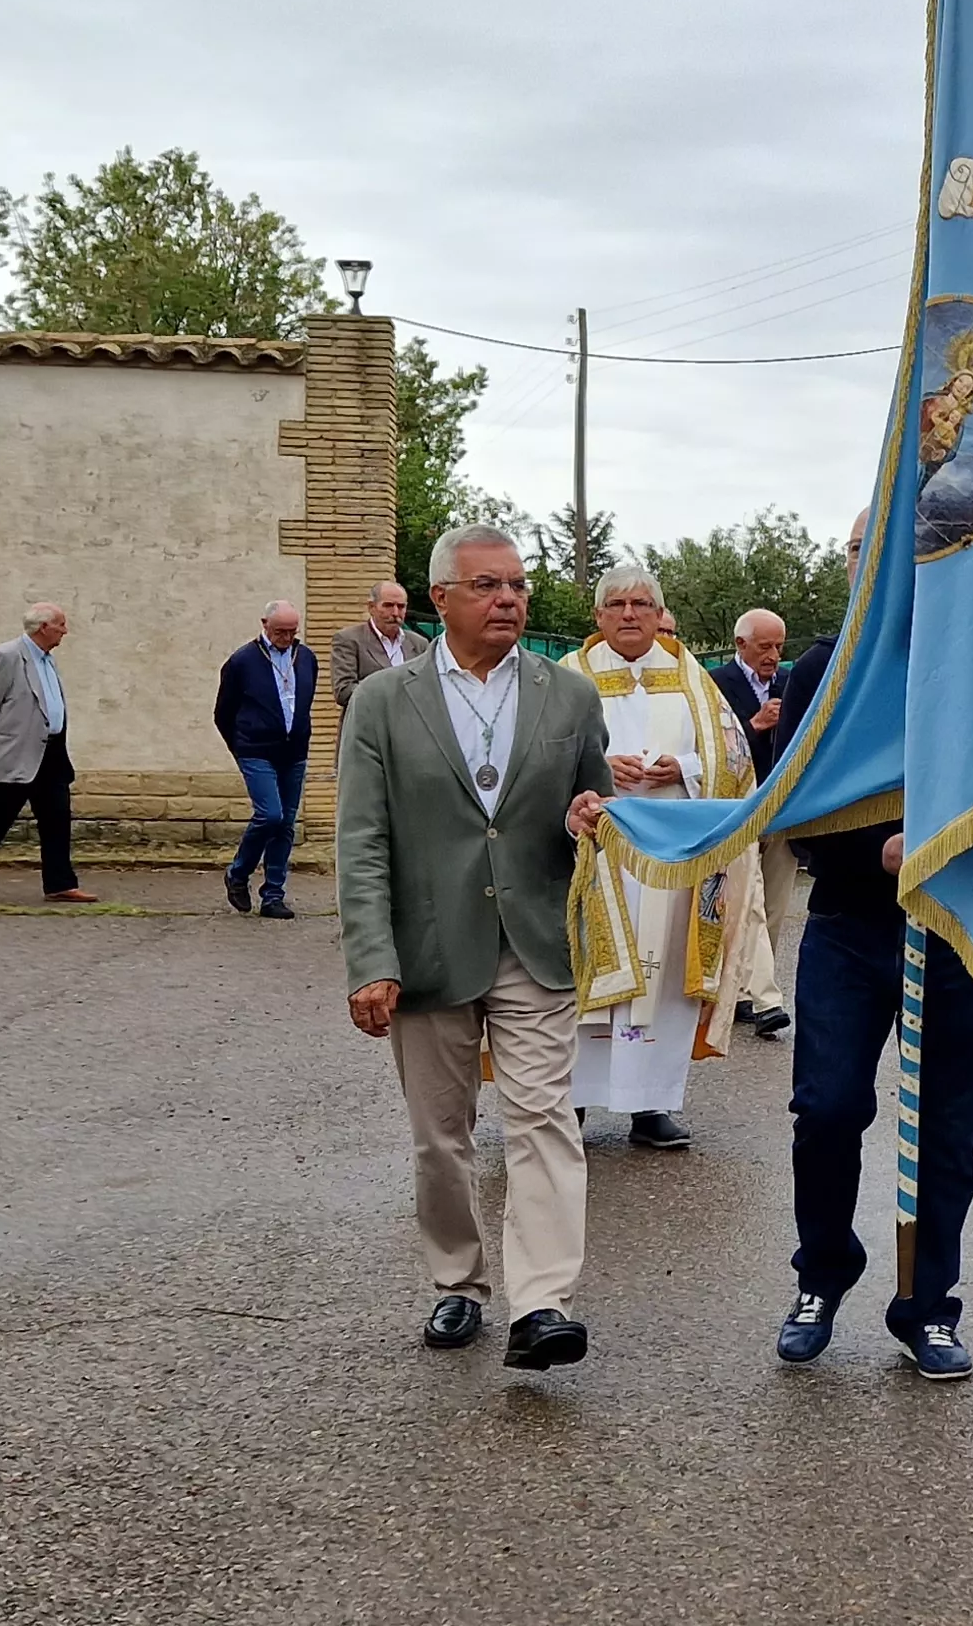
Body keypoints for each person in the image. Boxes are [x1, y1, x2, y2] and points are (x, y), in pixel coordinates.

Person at [337, 524, 616, 1372]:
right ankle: (458, 1284)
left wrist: (589, 821)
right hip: (427, 947)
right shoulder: (385, 701)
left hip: (533, 941)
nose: (509, 600)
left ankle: (542, 1303)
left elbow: (592, 802)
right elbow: (362, 838)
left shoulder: (568, 697)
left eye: (518, 586)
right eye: (488, 586)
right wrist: (371, 959)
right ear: (441, 600)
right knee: (442, 1134)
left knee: (543, 1120)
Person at [766, 515, 973, 1383]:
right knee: (826, 1111)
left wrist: (943, 845)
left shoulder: (969, 661)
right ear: (855, 564)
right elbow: (798, 807)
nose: (883, 563)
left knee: (944, 1129)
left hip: (948, 928)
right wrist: (877, 851)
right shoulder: (825, 669)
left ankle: (926, 1305)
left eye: (897, 547)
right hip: (851, 924)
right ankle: (822, 1275)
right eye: (865, 549)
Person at [561, 563, 751, 1150]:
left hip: (670, 863)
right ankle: (575, 1104)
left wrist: (686, 769)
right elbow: (538, 761)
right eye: (615, 605)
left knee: (662, 978)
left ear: (657, 613)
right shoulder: (570, 677)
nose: (628, 615)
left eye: (640, 604)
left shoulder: (690, 677)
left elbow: (735, 757)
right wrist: (600, 769)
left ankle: (651, 1107)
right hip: (595, 858)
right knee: (580, 980)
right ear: (597, 616)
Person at [0, 602, 97, 904]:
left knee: (57, 818)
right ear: (43, 627)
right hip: (15, 753)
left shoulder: (46, 659)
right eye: (61, 625)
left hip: (51, 752)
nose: (65, 632)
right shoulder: (7, 656)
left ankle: (59, 883)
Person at [714, 607, 796, 1040]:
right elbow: (709, 747)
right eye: (764, 646)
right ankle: (752, 995)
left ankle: (753, 992)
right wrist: (755, 724)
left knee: (775, 905)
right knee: (745, 904)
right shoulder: (714, 684)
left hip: (781, 811)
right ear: (740, 645)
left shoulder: (789, 684)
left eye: (779, 646)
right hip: (737, 810)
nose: (773, 655)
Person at [214, 599, 319, 918]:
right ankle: (238, 872)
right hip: (255, 749)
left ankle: (273, 894)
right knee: (270, 814)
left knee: (286, 823)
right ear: (264, 625)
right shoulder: (243, 661)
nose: (286, 638)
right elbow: (223, 712)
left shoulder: (305, 658)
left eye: (291, 632)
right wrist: (241, 745)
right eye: (280, 632)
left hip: (294, 751)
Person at [320, 579, 417, 710]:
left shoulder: (418, 643)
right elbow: (344, 692)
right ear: (371, 607)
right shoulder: (349, 640)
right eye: (388, 606)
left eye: (401, 606)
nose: (395, 613)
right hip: (369, 726)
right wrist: (396, 692)